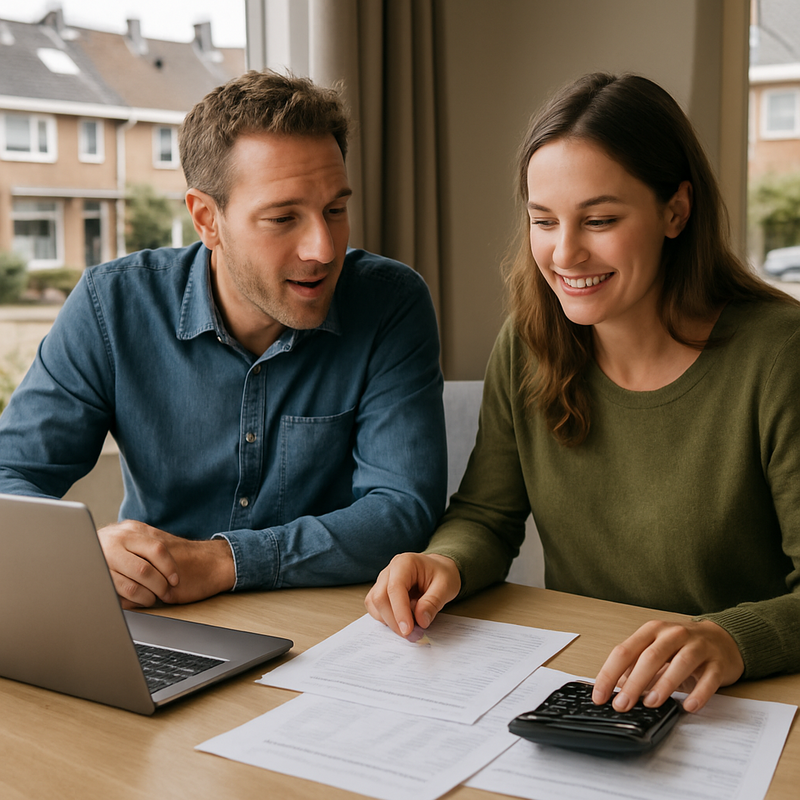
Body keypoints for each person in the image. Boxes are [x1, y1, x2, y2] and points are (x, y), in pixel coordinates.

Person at [365, 72, 800, 715]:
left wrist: (729, 637)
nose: (564, 253)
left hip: (743, 702)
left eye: (598, 219)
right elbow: (487, 515)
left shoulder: (779, 353)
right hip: (595, 686)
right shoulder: (529, 340)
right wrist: (444, 565)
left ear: (675, 211)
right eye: (543, 221)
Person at [0, 70, 446, 609]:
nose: (324, 249)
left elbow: (402, 510)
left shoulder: (389, 302)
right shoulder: (110, 306)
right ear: (207, 219)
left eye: (335, 209)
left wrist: (221, 561)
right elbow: (11, 475)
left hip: (331, 630)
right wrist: (88, 554)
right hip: (161, 621)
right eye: (283, 217)